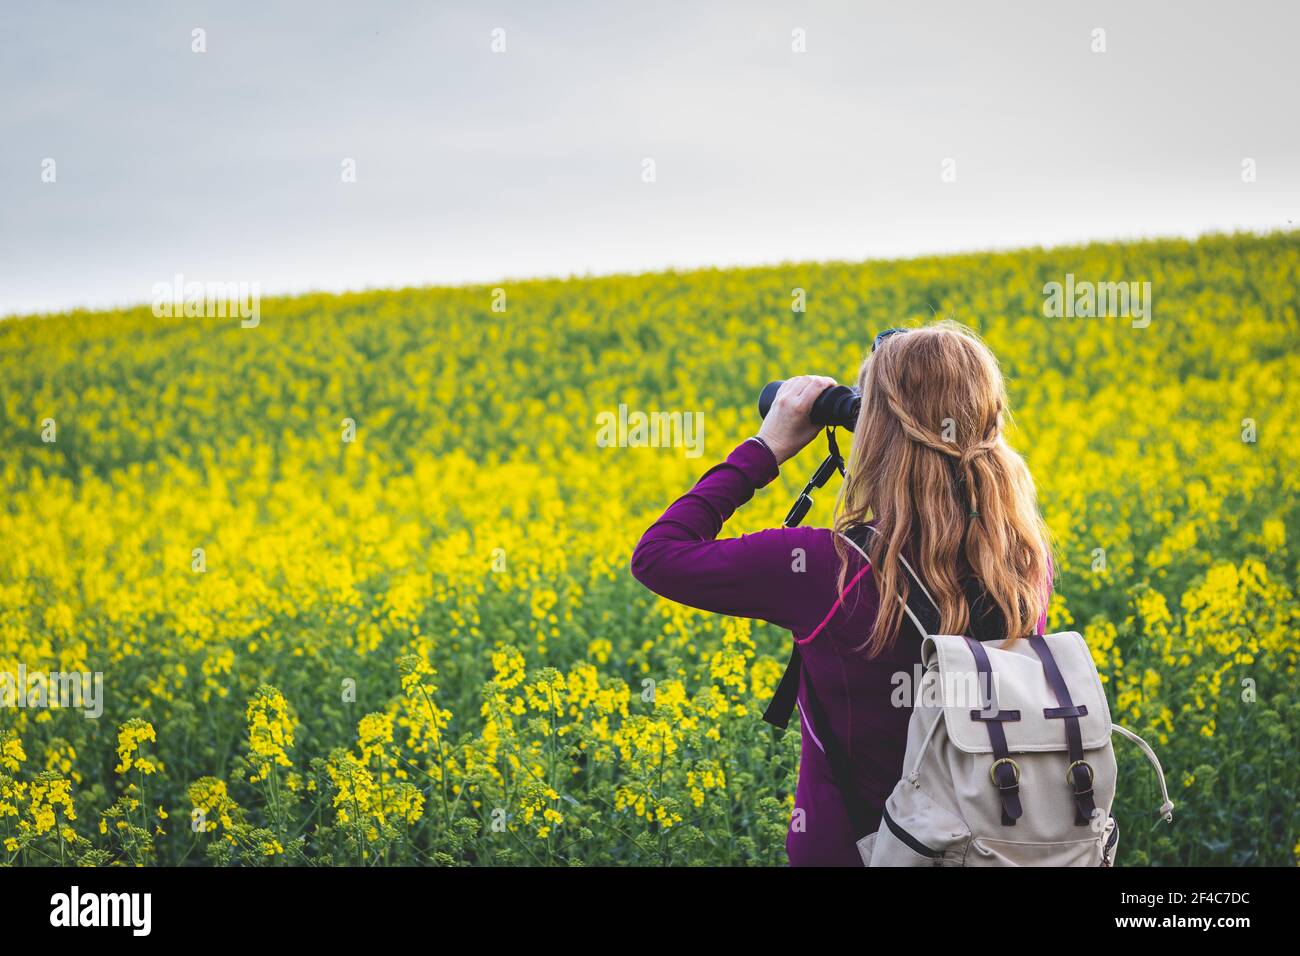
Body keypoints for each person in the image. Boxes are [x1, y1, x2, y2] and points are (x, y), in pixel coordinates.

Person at [630, 321, 1053, 866]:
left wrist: (766, 447)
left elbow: (659, 554)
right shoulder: (1020, 562)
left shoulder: (825, 569)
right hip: (993, 849)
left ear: (871, 430)